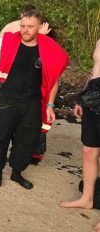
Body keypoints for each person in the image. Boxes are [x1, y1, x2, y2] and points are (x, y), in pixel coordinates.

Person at [0, 10, 69, 189]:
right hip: (7, 99)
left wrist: (50, 106)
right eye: (23, 26)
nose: (25, 30)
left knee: (26, 140)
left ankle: (17, 172)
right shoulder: (6, 45)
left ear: (39, 27)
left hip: (32, 103)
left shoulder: (46, 50)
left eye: (30, 26)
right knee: (0, 137)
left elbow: (53, 81)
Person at [60, 39, 100, 211]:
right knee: (89, 150)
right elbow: (95, 70)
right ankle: (87, 199)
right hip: (93, 94)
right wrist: (82, 98)